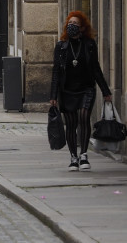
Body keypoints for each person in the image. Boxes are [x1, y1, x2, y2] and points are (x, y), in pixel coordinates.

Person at [50, 11, 113, 171]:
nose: (72, 26)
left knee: (84, 117)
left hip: (86, 88)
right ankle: (73, 157)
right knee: (71, 124)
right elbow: (56, 71)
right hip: (67, 90)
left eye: (75, 24)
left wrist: (106, 91)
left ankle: (84, 154)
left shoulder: (89, 44)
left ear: (82, 27)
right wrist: (53, 96)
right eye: (69, 23)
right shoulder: (61, 46)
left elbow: (96, 69)